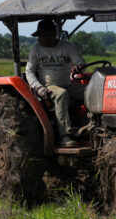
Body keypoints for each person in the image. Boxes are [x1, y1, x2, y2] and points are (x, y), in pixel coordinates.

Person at [26, 19, 85, 147]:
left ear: (52, 34)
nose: (40, 39)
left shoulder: (67, 46)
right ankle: (65, 135)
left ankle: (91, 126)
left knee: (91, 92)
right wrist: (39, 88)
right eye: (39, 36)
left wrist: (78, 67)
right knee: (62, 94)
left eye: (42, 35)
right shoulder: (36, 48)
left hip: (68, 84)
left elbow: (80, 63)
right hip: (49, 86)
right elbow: (29, 72)